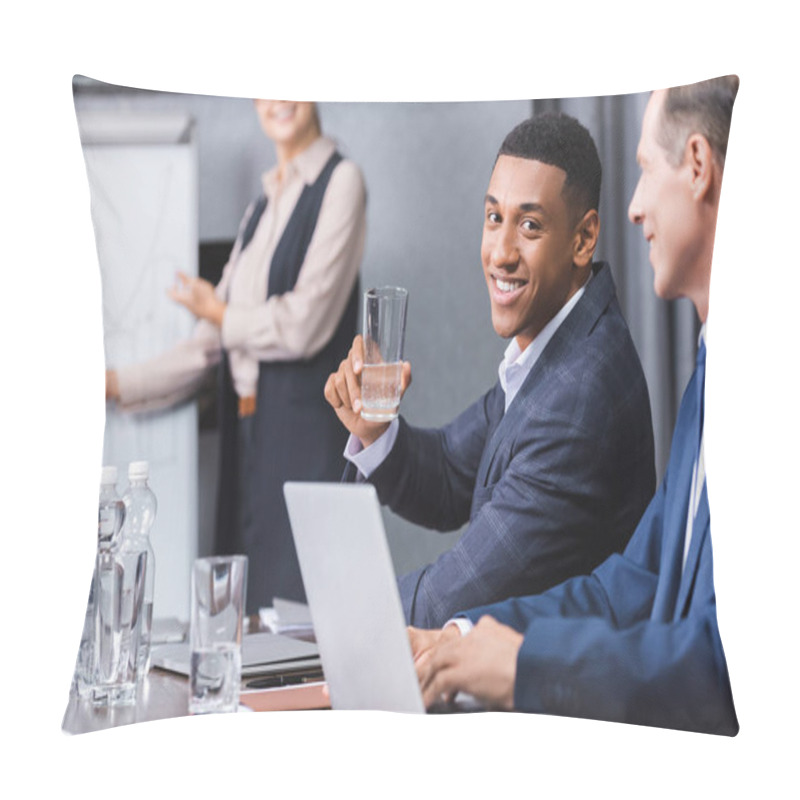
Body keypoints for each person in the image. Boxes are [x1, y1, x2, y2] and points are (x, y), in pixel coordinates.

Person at [411, 76, 740, 736]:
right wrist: (468, 634)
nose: (635, 206)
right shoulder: (710, 372)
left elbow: (726, 665)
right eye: (494, 216)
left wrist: (527, 664)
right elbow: (634, 583)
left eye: (646, 170)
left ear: (698, 167)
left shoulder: (595, 384)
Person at [325, 112, 655, 628]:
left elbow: (447, 599)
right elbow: (449, 477)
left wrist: (334, 619)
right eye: (493, 218)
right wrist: (376, 429)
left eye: (529, 225)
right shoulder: (555, 350)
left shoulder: (579, 393)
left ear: (584, 238)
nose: (500, 253)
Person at [106, 100, 367, 613]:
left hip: (305, 441)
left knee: (296, 622)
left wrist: (222, 314)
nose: (279, 99)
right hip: (247, 438)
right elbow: (208, 342)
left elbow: (303, 323)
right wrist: (115, 383)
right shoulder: (260, 208)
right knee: (239, 615)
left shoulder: (343, 181)